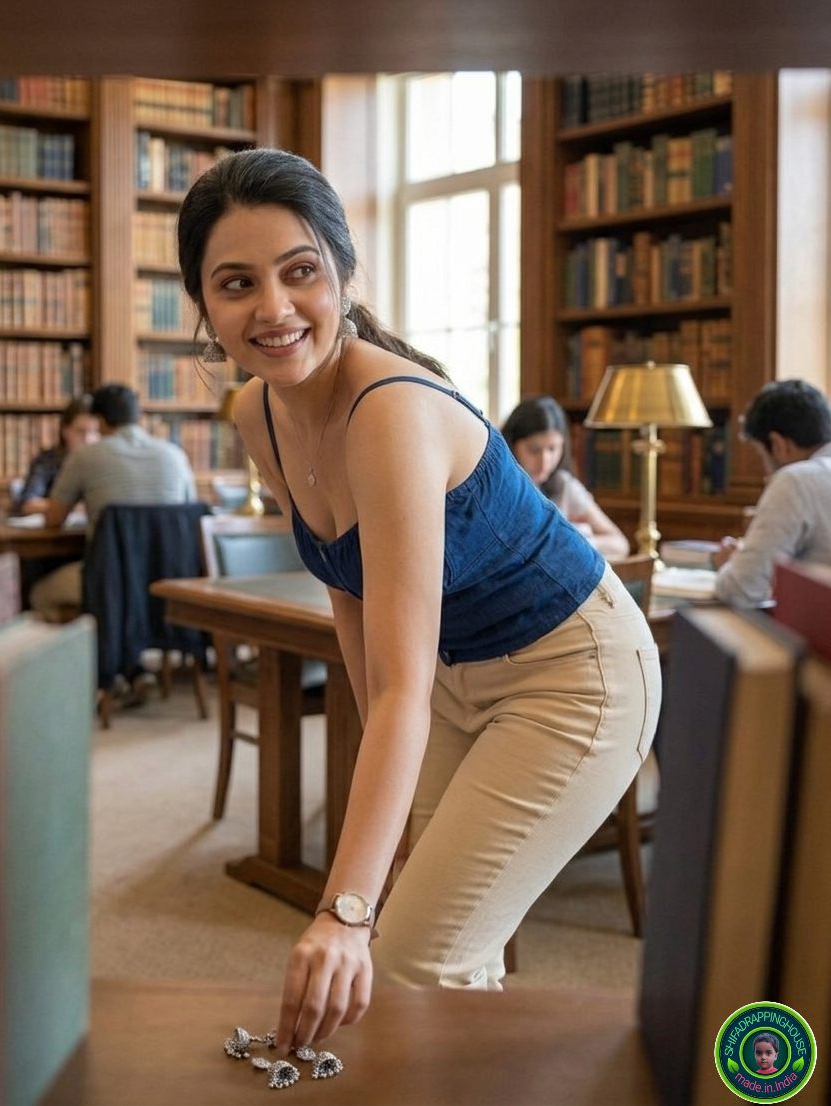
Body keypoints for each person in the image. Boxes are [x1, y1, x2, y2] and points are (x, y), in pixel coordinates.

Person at [177, 148, 661, 1053]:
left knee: (405, 958)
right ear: (203, 304)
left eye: (300, 271)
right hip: (450, 679)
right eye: (237, 283)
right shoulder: (256, 414)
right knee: (444, 945)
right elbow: (352, 606)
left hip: (574, 676)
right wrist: (382, 824)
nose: (273, 308)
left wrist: (342, 910)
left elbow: (400, 685)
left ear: (345, 274)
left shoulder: (391, 410)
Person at [29, 383, 198, 618]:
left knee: (39, 595)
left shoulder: (85, 457)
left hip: (110, 582)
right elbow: (190, 516)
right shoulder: (176, 456)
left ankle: (99, 637)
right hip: (169, 580)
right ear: (138, 417)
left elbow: (53, 520)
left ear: (99, 420)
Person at [712, 379, 831, 605]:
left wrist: (731, 564)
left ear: (778, 445)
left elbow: (741, 590)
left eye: (761, 455)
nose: (765, 473)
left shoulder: (796, 480)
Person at [501, 396, 630, 558]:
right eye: (534, 450)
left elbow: (620, 545)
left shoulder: (563, 485)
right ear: (511, 445)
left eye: (552, 449)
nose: (544, 461)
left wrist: (577, 541)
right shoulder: (498, 489)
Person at [12, 394, 99, 515]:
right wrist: (74, 508)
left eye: (94, 432)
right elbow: (29, 503)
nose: (88, 439)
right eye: (80, 432)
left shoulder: (107, 461)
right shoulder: (47, 461)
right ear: (65, 431)